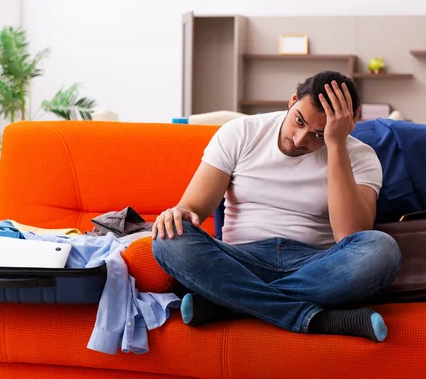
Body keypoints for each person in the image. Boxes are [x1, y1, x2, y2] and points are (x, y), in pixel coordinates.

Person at [151, 71, 402, 342]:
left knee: (382, 249)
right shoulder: (242, 132)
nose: (299, 140)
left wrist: (336, 145)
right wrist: (179, 212)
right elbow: (193, 208)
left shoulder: (360, 156)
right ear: (292, 100)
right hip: (240, 261)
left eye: (318, 134)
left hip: (316, 266)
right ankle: (318, 319)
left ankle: (228, 304)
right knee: (169, 238)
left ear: (348, 124)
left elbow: (349, 234)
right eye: (299, 121)